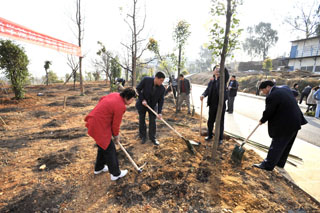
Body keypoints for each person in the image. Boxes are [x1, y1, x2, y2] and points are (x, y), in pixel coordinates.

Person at [253, 80, 307, 171]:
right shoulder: (285, 88)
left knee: (277, 144)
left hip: (285, 124)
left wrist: (262, 120)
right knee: (286, 145)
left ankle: (267, 165)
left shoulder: (272, 96)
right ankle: (280, 163)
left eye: (263, 90)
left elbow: (269, 111)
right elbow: (294, 93)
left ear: (268, 87)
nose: (263, 92)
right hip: (296, 121)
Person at [84, 88, 136, 181]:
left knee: (102, 146)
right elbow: (116, 124)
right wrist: (116, 135)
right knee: (110, 149)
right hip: (99, 125)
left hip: (94, 120)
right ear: (127, 97)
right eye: (132, 99)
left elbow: (102, 99)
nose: (132, 101)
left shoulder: (114, 94)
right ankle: (115, 174)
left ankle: (99, 168)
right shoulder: (120, 106)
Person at [200, 65, 229, 144]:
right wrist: (203, 95)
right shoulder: (212, 80)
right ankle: (210, 135)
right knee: (210, 121)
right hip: (212, 104)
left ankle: (220, 138)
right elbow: (208, 90)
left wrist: (222, 66)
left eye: (219, 69)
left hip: (220, 105)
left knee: (220, 122)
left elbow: (226, 74)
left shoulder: (223, 80)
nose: (217, 70)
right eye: (216, 69)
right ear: (213, 71)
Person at [136, 71, 166, 145]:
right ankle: (143, 136)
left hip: (152, 105)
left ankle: (152, 137)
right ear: (156, 78)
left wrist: (159, 112)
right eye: (161, 80)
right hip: (142, 103)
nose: (161, 82)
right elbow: (138, 89)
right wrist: (142, 99)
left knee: (153, 121)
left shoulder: (162, 89)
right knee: (142, 120)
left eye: (163, 81)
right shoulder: (146, 80)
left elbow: (161, 101)